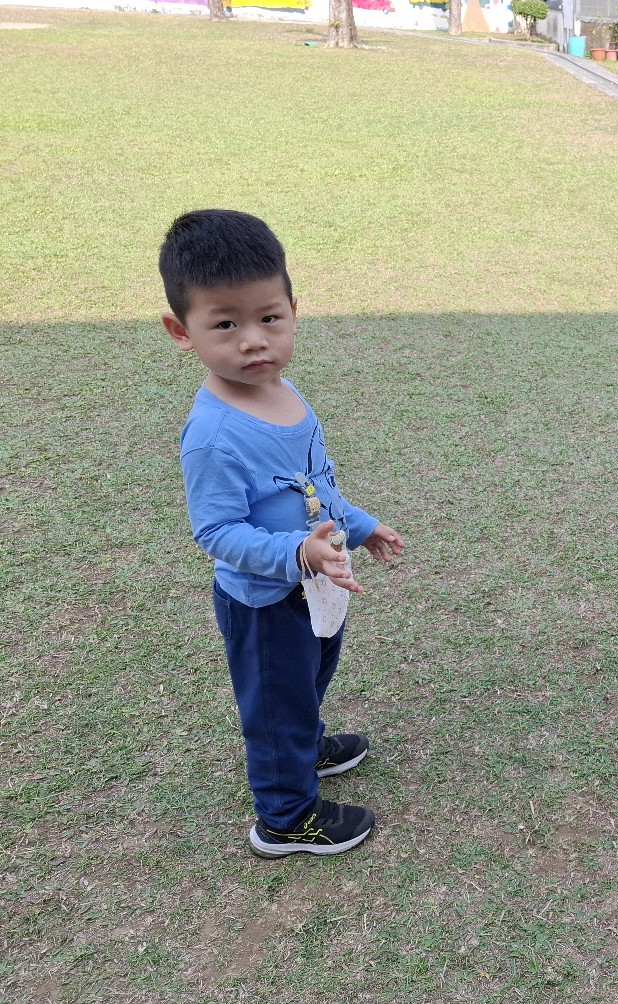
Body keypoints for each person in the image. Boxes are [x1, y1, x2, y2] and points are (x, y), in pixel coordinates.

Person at [160, 209, 405, 855]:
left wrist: (359, 526)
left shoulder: (287, 393)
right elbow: (216, 532)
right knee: (274, 708)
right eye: (225, 324)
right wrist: (299, 551)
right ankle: (286, 818)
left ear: (293, 310)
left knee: (308, 679)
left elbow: (314, 486)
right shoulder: (213, 436)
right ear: (181, 331)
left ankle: (305, 742)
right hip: (264, 602)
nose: (252, 341)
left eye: (269, 317)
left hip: (314, 583)